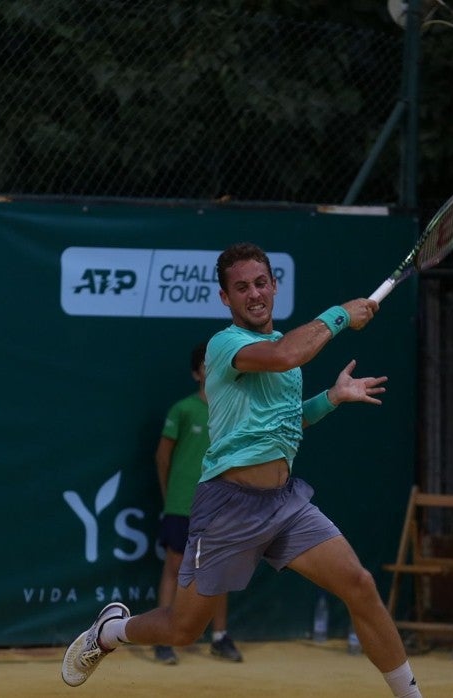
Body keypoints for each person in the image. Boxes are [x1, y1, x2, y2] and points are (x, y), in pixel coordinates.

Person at [63, 242, 423, 697]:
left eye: (260, 283)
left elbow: (287, 421)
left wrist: (332, 398)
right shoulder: (226, 344)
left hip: (285, 503)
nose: (253, 294)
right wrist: (339, 315)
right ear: (225, 298)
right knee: (182, 629)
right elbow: (286, 356)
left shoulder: (285, 350)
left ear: (274, 286)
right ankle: (109, 633)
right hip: (228, 507)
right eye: (241, 287)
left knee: (360, 584)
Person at [151, 341, 243, 665]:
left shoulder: (233, 411)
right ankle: (163, 638)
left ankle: (219, 637)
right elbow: (163, 457)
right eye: (205, 364)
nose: (211, 368)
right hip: (181, 504)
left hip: (220, 505)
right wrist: (171, 496)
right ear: (196, 373)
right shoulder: (183, 410)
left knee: (217, 572)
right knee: (175, 567)